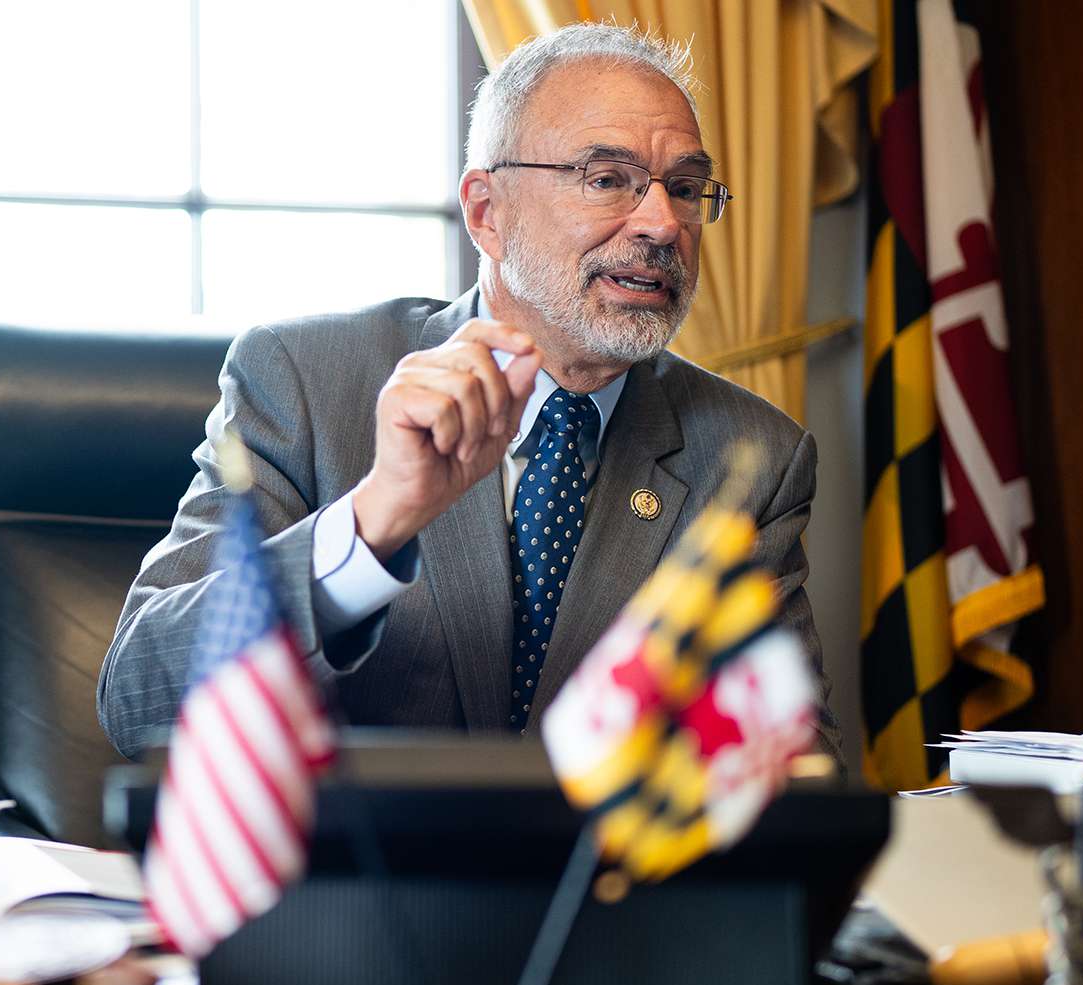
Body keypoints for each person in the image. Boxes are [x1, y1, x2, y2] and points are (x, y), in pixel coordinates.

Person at [97, 22, 840, 761]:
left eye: (683, 188)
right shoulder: (304, 381)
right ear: (487, 212)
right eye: (607, 179)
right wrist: (373, 522)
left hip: (617, 878)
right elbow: (141, 699)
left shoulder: (751, 457)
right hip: (370, 876)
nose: (663, 223)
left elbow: (799, 771)